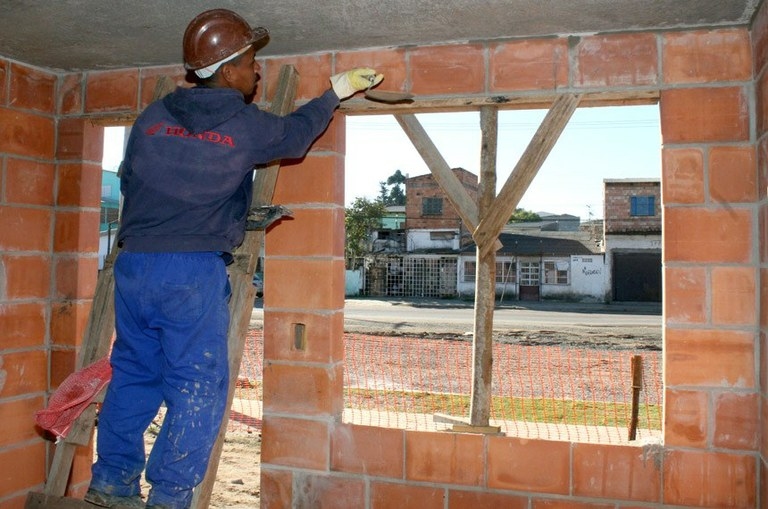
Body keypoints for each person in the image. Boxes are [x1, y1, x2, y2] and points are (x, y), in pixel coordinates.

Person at [85, 8, 382, 509]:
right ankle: (171, 497)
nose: (256, 70)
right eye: (249, 62)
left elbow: (129, 179)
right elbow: (293, 135)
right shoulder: (243, 123)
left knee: (135, 372)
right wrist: (334, 91)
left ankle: (112, 482)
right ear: (226, 72)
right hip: (190, 273)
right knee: (197, 384)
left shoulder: (152, 117)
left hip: (134, 266)